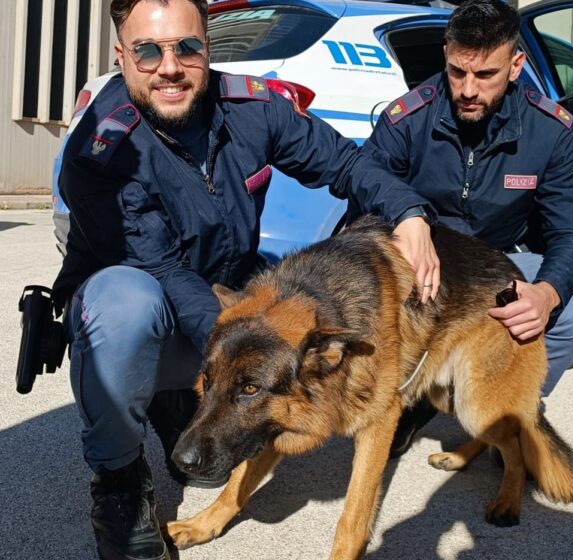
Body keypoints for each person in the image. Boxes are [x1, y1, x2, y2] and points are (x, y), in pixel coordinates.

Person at [50, 1, 439, 558]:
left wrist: (409, 213)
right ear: (122, 55)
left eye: (187, 46)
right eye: (147, 51)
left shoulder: (251, 108)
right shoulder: (101, 151)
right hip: (155, 313)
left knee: (218, 441)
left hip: (225, 316)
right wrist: (253, 348)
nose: (170, 67)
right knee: (123, 304)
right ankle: (118, 480)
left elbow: (345, 164)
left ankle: (179, 400)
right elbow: (161, 267)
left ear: (208, 48)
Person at [359, 0, 573, 458]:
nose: (468, 89)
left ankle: (502, 410)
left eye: (486, 75)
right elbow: (364, 196)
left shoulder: (551, 131)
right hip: (421, 257)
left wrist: (547, 294)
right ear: (446, 54)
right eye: (457, 72)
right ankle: (413, 398)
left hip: (500, 260)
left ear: (516, 66)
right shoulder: (405, 120)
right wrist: (405, 227)